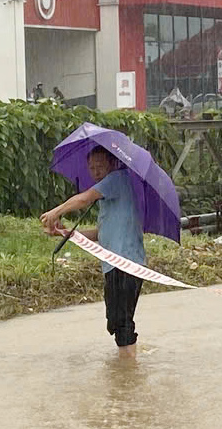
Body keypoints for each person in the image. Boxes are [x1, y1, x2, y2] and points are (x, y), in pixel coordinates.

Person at [41, 146, 146, 360]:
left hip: (126, 263)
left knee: (123, 321)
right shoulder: (109, 197)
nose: (96, 171)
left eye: (100, 166)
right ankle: (126, 364)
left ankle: (127, 372)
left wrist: (55, 211)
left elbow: (83, 198)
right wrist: (65, 232)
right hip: (113, 265)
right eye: (92, 167)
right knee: (115, 321)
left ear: (112, 164)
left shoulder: (118, 178)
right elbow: (101, 233)